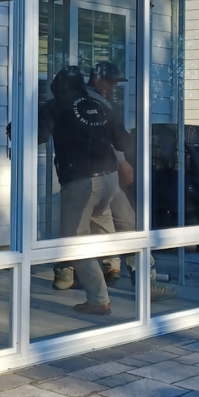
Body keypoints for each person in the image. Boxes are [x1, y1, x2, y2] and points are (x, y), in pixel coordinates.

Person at [46, 61, 135, 313]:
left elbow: (38, 135)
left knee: (74, 241)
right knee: (101, 218)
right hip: (109, 178)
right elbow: (123, 140)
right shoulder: (97, 105)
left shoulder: (55, 105)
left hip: (81, 180)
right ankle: (113, 264)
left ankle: (98, 299)